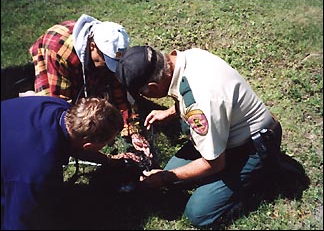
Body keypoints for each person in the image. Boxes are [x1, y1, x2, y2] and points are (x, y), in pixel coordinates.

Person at [114, 45, 283, 227]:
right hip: (230, 134)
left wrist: (164, 177)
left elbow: (214, 163)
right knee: (175, 175)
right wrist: (171, 111)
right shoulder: (186, 58)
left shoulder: (200, 102)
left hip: (254, 147)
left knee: (198, 214)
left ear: (153, 86)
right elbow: (186, 92)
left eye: (142, 92)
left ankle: (260, 182)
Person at [0, 95, 145, 230]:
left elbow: (76, 146)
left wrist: (108, 160)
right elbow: (17, 223)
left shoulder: (60, 109)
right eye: (107, 142)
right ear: (89, 145)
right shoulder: (37, 174)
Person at [26, 14, 150, 156]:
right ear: (92, 46)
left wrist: (131, 128)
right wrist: (87, 142)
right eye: (107, 62)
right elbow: (60, 105)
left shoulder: (111, 45)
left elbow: (118, 88)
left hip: (80, 59)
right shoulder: (61, 53)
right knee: (53, 114)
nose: (110, 68)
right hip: (53, 49)